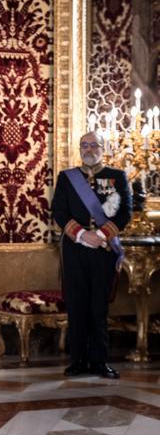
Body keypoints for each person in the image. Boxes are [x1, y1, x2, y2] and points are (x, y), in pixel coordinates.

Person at [51, 131, 131, 379]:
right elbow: (60, 212)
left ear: (103, 147)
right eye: (83, 145)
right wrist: (83, 236)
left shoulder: (117, 176)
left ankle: (99, 362)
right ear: (79, 148)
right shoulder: (67, 178)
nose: (88, 149)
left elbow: (125, 213)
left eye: (93, 145)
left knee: (98, 306)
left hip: (103, 251)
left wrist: (102, 236)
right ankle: (78, 361)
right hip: (75, 249)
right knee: (76, 305)